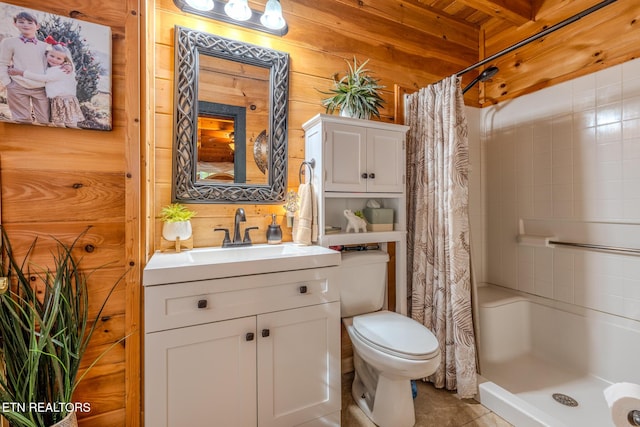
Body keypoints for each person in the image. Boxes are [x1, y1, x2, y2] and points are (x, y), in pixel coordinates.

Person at [9, 37, 85, 128]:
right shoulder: (52, 68)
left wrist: (21, 73)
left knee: (71, 125)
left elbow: (43, 78)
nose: (54, 60)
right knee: (59, 125)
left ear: (64, 61)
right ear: (47, 54)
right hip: (57, 100)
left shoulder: (62, 70)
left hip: (65, 100)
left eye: (58, 58)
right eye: (52, 56)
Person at [0, 11, 49, 124]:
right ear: (15, 24)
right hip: (17, 86)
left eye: (29, 22)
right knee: (22, 121)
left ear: (37, 26)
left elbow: (53, 64)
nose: (25, 25)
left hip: (41, 88)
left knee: (45, 121)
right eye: (21, 22)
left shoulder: (45, 46)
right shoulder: (9, 42)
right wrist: (8, 83)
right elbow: (3, 63)